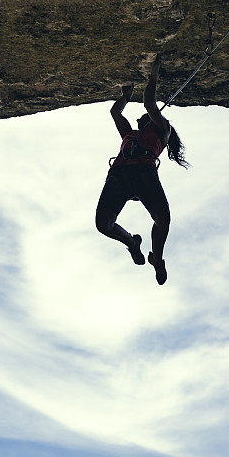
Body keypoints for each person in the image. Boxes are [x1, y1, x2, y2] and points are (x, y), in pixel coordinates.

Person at [95, 55, 189, 285]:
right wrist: (125, 97)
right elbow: (115, 113)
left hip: (141, 174)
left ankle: (157, 259)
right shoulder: (130, 134)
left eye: (142, 117)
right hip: (121, 176)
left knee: (163, 219)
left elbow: (149, 103)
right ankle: (131, 243)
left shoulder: (162, 129)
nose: (138, 117)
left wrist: (154, 74)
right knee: (102, 225)